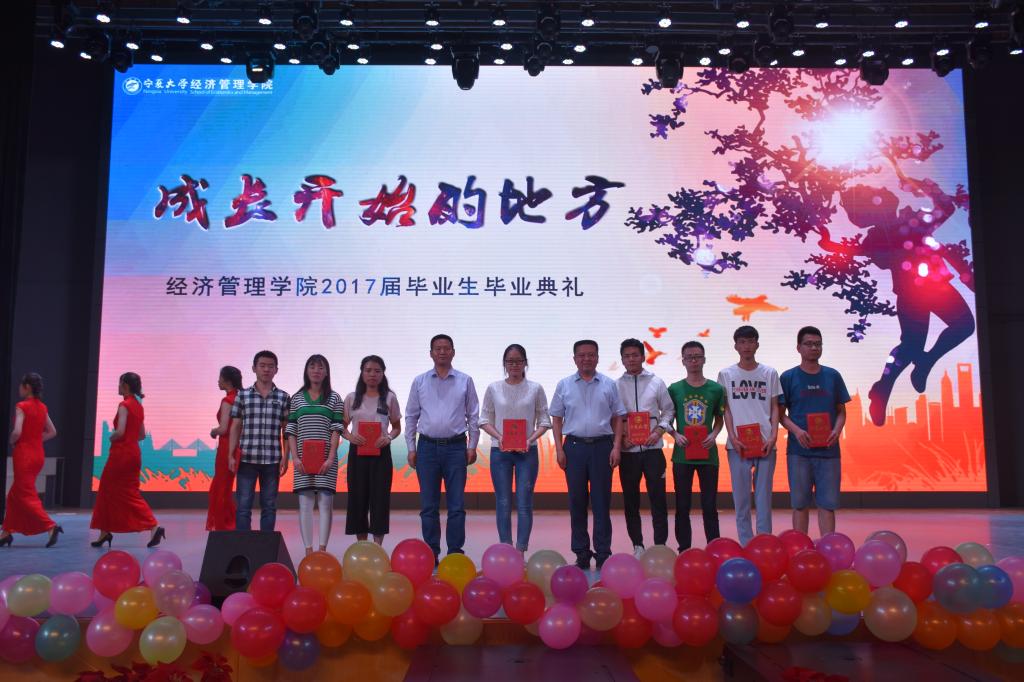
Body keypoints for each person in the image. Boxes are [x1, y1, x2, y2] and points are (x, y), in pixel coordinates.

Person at [550, 339, 626, 571]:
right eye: (581, 355)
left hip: (602, 447)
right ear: (575, 359)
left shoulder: (609, 384)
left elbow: (618, 417)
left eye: (591, 355)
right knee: (577, 502)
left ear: (597, 358)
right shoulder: (564, 385)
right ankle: (581, 552)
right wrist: (559, 449)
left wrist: (616, 447)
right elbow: (556, 419)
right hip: (574, 448)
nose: (586, 359)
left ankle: (603, 553)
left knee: (602, 503)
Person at [405, 334, 480, 563]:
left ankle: (455, 552)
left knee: (456, 505)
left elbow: (473, 415)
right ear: (431, 353)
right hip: (426, 448)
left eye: (446, 348)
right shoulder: (419, 381)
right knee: (428, 506)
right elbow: (411, 416)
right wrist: (411, 447)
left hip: (456, 448)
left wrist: (472, 445)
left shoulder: (465, 380)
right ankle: (431, 553)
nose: (442, 352)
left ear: (453, 352)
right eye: (437, 348)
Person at [780, 326, 851, 536]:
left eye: (818, 344)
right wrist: (797, 431)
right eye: (809, 344)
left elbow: (841, 411)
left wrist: (837, 430)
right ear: (798, 348)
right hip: (798, 451)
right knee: (799, 504)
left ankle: (827, 547)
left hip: (829, 452)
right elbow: (780, 415)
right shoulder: (788, 377)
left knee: (827, 505)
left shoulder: (833, 376)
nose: (814, 348)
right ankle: (800, 548)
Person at [479, 344, 550, 554]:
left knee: (524, 502)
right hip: (500, 452)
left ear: (525, 363)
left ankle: (520, 551)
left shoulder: (535, 389)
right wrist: (500, 437)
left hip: (527, 452)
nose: (514, 365)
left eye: (519, 361)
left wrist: (530, 439)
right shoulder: (494, 388)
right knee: (502, 502)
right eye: (510, 361)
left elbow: (544, 421)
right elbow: (484, 420)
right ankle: (506, 549)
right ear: (504, 364)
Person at [717, 326, 781, 546]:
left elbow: (775, 406)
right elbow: (725, 409)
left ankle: (763, 543)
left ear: (757, 344)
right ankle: (746, 544)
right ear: (736, 346)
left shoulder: (770, 373)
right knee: (741, 499)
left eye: (751, 341)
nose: (746, 346)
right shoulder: (726, 374)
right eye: (742, 342)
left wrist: (773, 436)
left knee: (764, 498)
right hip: (737, 446)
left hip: (765, 444)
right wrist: (732, 437)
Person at [91, 372, 164, 548]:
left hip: (121, 455)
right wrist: (129, 438)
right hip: (134, 454)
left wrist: (112, 437)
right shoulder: (138, 406)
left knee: (109, 491)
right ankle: (104, 532)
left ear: (125, 385)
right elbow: (142, 435)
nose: (117, 386)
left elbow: (120, 431)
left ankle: (153, 525)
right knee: (127, 491)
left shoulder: (124, 405)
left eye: (119, 383)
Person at [615, 338, 674, 557]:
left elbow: (668, 410)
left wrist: (658, 431)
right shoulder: (615, 385)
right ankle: (638, 546)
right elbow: (612, 416)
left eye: (635, 355)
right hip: (628, 453)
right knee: (631, 502)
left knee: (658, 500)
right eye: (627, 356)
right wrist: (621, 437)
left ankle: (660, 546)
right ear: (622, 359)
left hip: (653, 451)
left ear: (643, 357)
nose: (631, 359)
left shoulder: (656, 382)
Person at [667, 341, 726, 551]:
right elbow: (666, 419)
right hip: (682, 456)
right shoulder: (674, 389)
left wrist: (714, 434)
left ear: (704, 359)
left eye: (697, 357)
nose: (694, 361)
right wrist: (675, 435)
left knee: (709, 506)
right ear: (683, 361)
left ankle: (714, 549)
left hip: (708, 454)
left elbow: (720, 419)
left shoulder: (716, 389)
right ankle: (684, 549)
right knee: (682, 506)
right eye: (689, 357)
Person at [286, 355, 343, 556]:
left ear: (326, 372)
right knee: (305, 504)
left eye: (320, 367)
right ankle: (309, 551)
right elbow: (291, 430)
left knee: (326, 504)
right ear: (306, 370)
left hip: (326, 460)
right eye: (312, 367)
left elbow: (336, 430)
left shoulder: (334, 398)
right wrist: (295, 457)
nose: (316, 371)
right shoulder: (296, 399)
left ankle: (322, 550)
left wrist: (330, 458)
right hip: (302, 460)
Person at [342, 355, 402, 545]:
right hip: (357, 453)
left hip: (381, 454)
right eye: (368, 370)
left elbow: (396, 427)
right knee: (358, 499)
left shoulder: (389, 398)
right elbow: (342, 426)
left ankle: (377, 547)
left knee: (380, 499)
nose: (372, 374)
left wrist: (388, 437)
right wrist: (350, 436)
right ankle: (362, 546)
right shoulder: (351, 398)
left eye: (377, 371)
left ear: (383, 374)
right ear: (362, 373)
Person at [228, 350, 290, 532]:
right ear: (254, 368)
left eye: (270, 366)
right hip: (246, 459)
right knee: (243, 506)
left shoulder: (283, 397)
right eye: (262, 366)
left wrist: (286, 457)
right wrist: (231, 454)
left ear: (276, 370)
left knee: (269, 506)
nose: (266, 369)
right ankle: (243, 543)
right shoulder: (242, 395)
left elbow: (286, 430)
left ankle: (266, 545)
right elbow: (235, 426)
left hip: (272, 460)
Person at [1, 373, 62, 548]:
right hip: (38, 455)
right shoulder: (42, 407)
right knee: (14, 495)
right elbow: (52, 431)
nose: (19, 388)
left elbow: (17, 432)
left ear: (27, 387)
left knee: (25, 494)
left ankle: (50, 526)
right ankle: (6, 533)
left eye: (21, 385)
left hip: (24, 456)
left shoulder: (21, 406)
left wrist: (12, 441)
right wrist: (35, 439)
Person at [206, 365, 242, 531]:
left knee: (220, 489)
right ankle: (229, 522)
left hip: (227, 447)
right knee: (225, 487)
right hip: (237, 446)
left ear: (227, 380)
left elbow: (224, 428)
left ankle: (224, 524)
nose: (218, 381)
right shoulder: (240, 398)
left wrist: (213, 432)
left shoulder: (228, 401)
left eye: (220, 378)